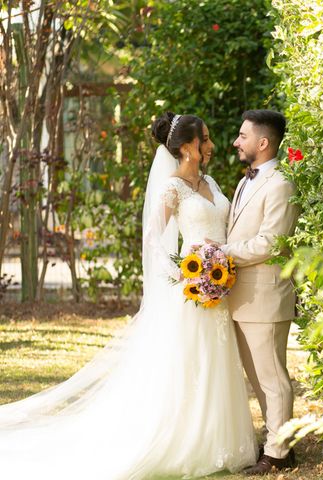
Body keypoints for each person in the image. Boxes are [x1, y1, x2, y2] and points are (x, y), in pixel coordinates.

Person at [0, 112, 257, 479]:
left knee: (217, 363)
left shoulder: (212, 182)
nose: (212, 144)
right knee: (192, 365)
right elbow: (154, 239)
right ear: (187, 147)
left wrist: (219, 271)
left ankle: (223, 441)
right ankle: (190, 441)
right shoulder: (172, 188)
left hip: (219, 286)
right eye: (205, 138)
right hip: (191, 291)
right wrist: (185, 276)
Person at [220, 109, 299, 475]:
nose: (237, 141)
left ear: (263, 143)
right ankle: (276, 440)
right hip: (242, 297)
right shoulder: (244, 181)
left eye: (242, 135)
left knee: (273, 378)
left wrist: (222, 254)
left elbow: (271, 242)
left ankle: (279, 454)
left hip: (266, 296)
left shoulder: (281, 183)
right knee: (258, 379)